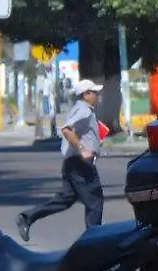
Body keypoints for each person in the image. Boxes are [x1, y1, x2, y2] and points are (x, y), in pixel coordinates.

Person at [17, 79, 105, 241]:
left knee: (65, 200)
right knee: (95, 201)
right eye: (94, 92)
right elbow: (67, 130)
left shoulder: (79, 109)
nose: (97, 95)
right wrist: (82, 149)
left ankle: (28, 217)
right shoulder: (84, 111)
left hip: (73, 164)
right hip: (80, 164)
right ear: (86, 95)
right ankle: (94, 241)